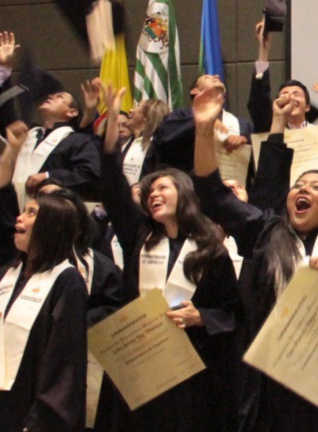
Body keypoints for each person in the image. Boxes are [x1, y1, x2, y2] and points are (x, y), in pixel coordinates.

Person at [194, 90, 318, 432]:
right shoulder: (266, 233)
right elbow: (213, 195)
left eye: (316, 187)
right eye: (298, 186)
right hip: (275, 382)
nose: (303, 190)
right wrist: (204, 131)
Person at [98, 85, 243, 432]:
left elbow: (234, 312)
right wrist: (110, 126)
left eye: (164, 187)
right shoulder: (140, 237)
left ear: (185, 194)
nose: (154, 194)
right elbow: (113, 189)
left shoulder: (210, 250)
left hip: (191, 373)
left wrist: (202, 317)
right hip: (139, 366)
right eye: (150, 192)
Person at [0, 192, 88, 432]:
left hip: (32, 414)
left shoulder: (67, 280)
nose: (19, 219)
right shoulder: (8, 274)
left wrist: (40, 422)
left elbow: (65, 363)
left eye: (31, 213)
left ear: (51, 225)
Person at [0, 31, 101, 202]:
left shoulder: (77, 141)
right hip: (13, 212)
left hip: (50, 214)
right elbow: (1, 110)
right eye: (52, 95)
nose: (50, 96)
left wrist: (49, 176)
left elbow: (88, 175)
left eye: (59, 97)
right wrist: (4, 69)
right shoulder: (26, 133)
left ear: (72, 112)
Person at [143, 73, 248, 178]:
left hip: (229, 188)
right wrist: (201, 123)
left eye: (216, 76)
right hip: (188, 187)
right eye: (207, 77)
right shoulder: (179, 117)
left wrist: (245, 142)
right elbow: (161, 142)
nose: (216, 76)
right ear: (195, 91)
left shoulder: (241, 124)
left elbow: (254, 161)